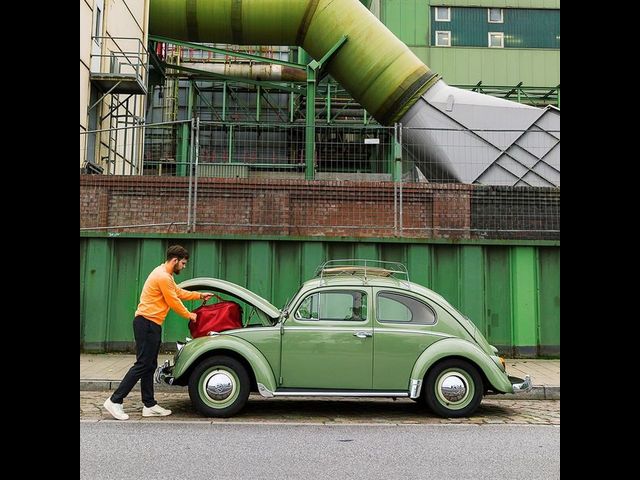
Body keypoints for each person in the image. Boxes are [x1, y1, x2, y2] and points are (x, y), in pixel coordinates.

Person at [103, 245, 213, 420]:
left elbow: (177, 292)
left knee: (149, 365)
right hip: (146, 323)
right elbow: (173, 301)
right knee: (142, 364)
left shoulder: (164, 274)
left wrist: (199, 296)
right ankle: (115, 400)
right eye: (183, 263)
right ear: (175, 260)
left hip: (150, 324)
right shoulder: (162, 276)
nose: (184, 267)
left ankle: (149, 404)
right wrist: (190, 315)